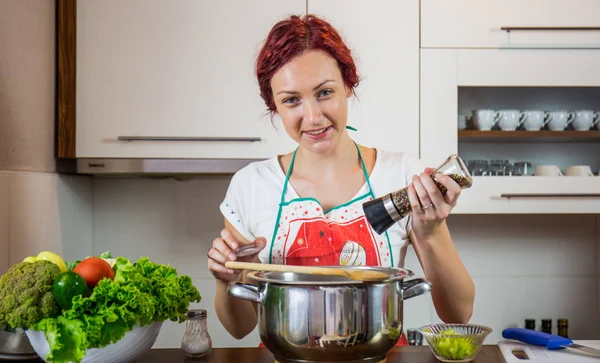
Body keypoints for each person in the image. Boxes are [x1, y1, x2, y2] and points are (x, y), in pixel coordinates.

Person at [207, 14, 475, 342]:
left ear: (347, 84)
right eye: (291, 100)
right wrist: (226, 279)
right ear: (275, 106)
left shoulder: (402, 175)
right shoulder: (251, 186)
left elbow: (458, 313)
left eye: (324, 93)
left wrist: (430, 232)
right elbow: (239, 328)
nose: (313, 117)